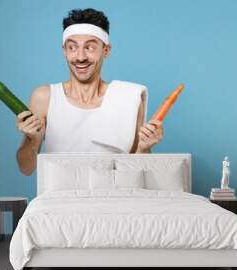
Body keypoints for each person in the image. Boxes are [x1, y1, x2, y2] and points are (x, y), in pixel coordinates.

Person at [16, 8, 164, 176]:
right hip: (60, 199)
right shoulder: (44, 97)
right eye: (72, 47)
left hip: (115, 198)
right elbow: (25, 168)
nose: (80, 57)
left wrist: (145, 147)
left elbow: (137, 173)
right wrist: (33, 140)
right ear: (64, 50)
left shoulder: (128, 98)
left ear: (106, 50)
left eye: (90, 47)